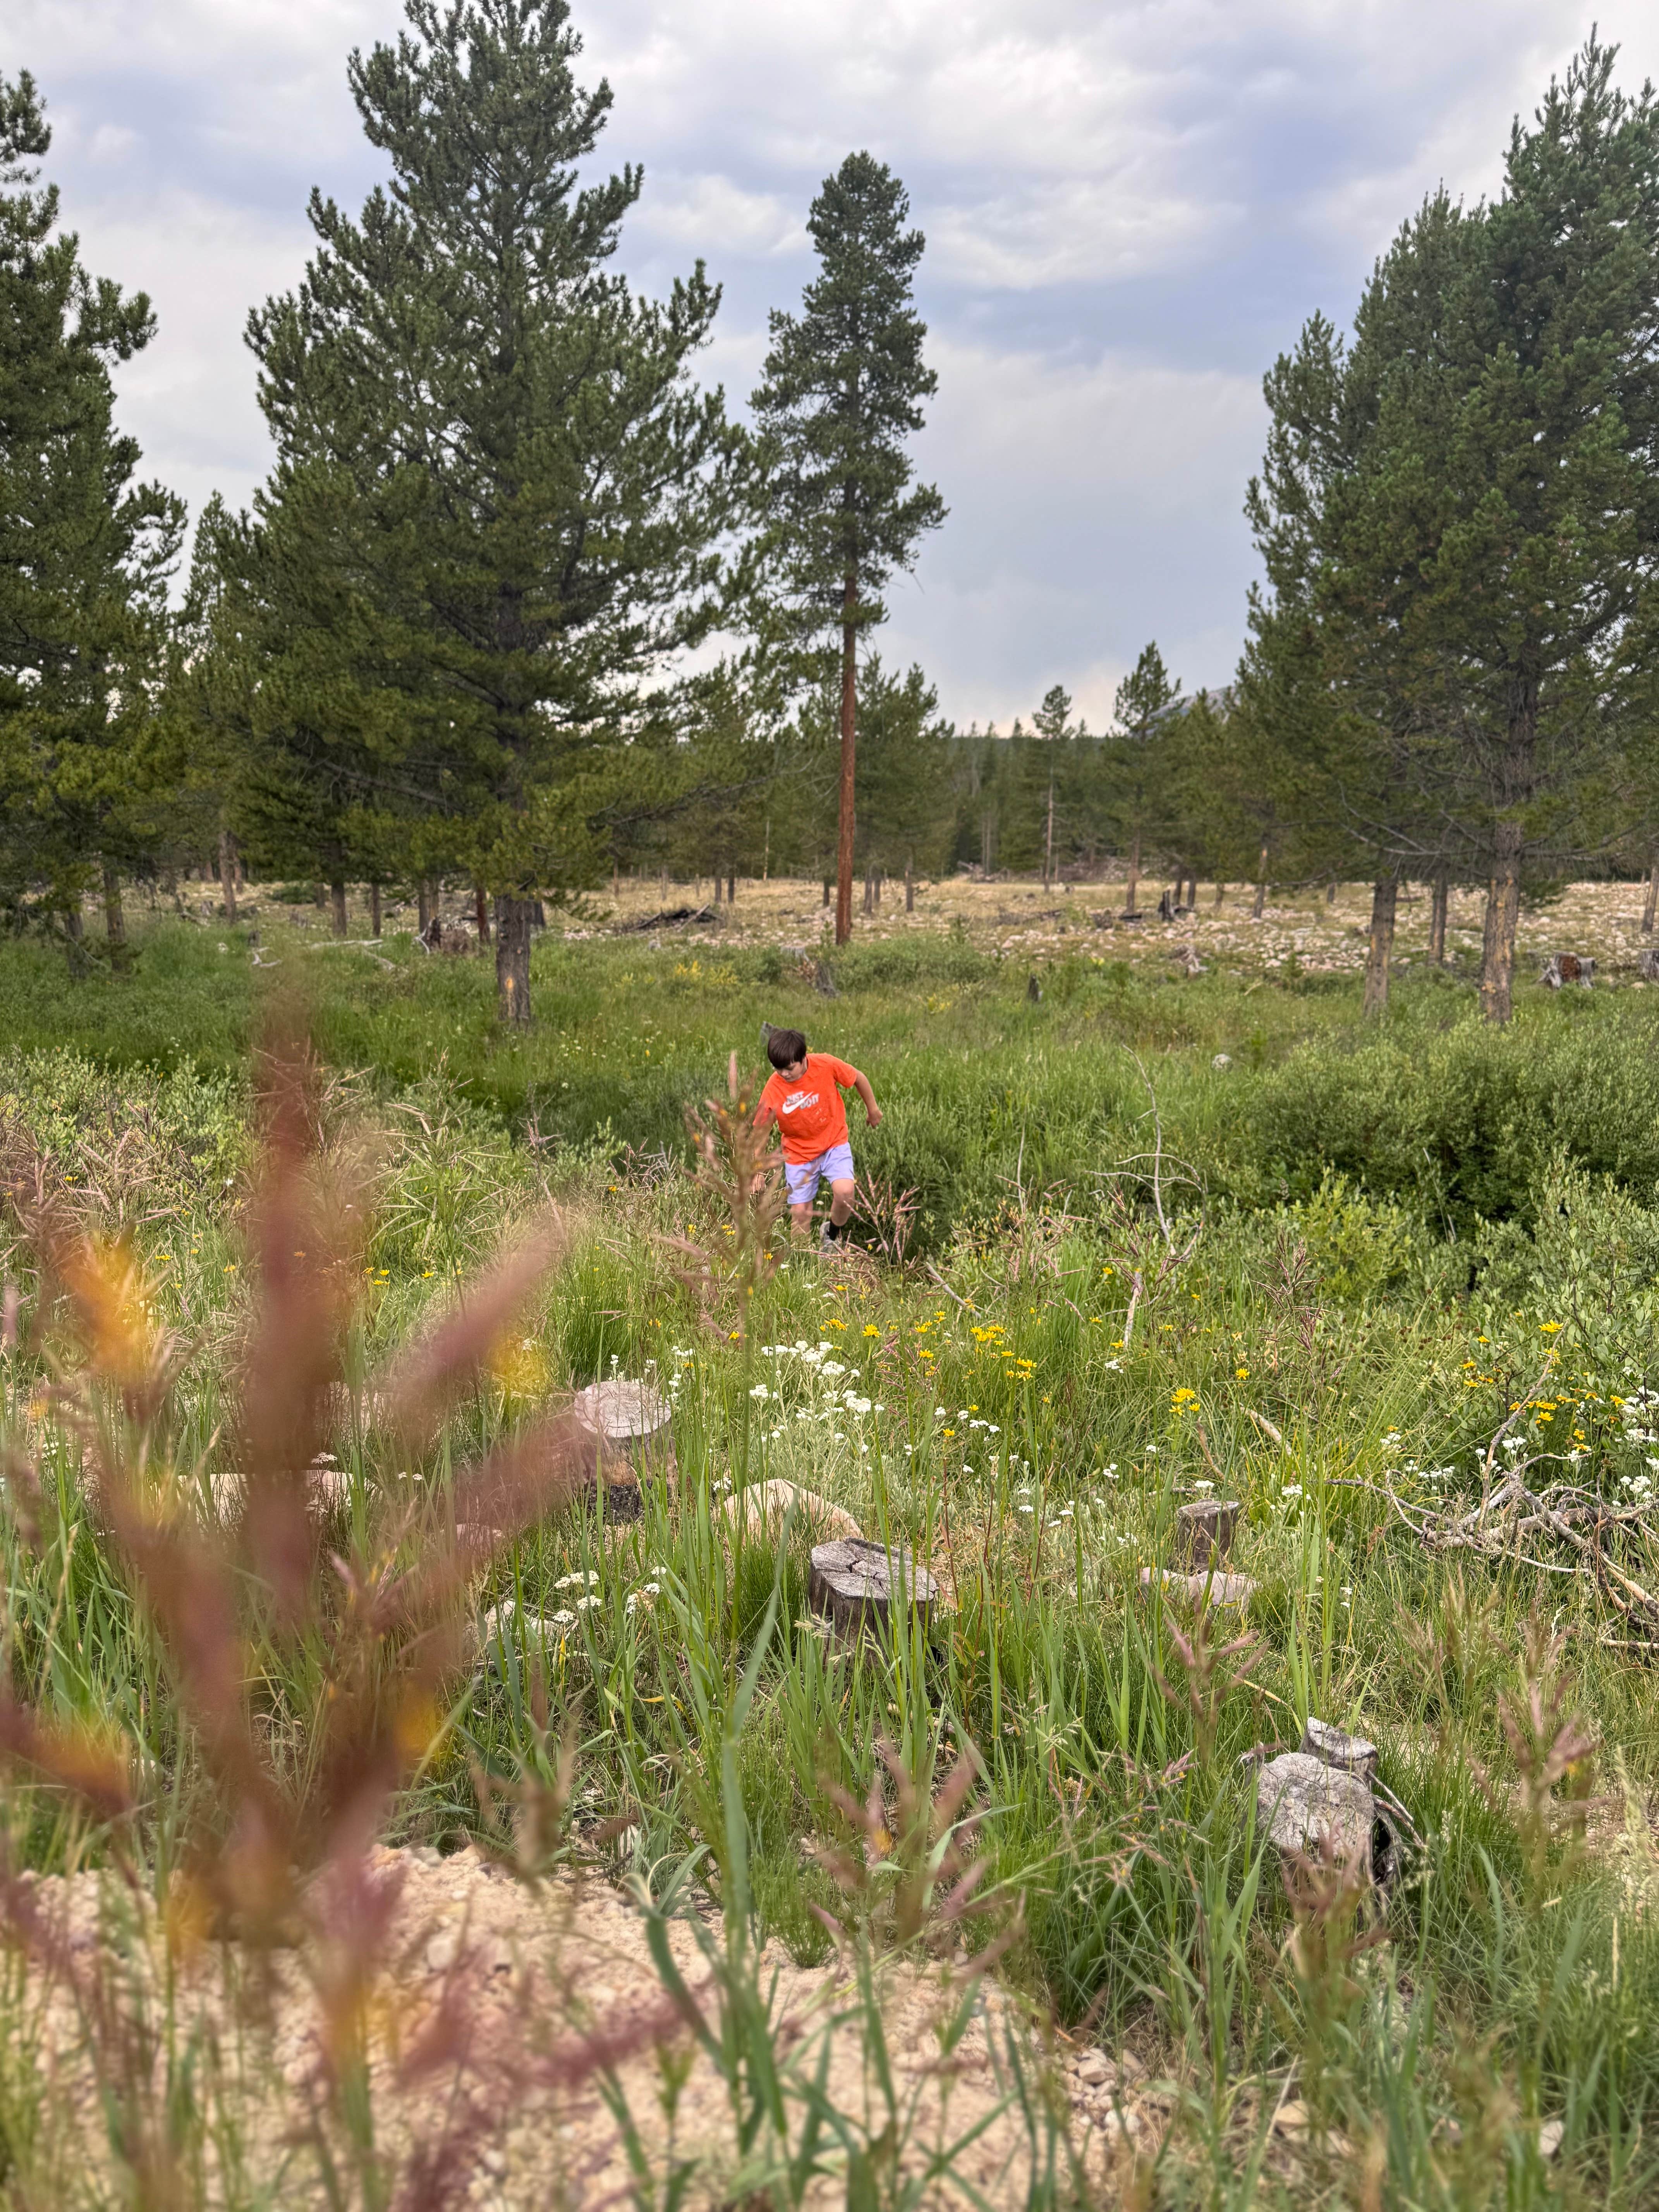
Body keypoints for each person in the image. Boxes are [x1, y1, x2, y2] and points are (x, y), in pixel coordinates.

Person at [753, 1027, 882, 1245]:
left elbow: (858, 1078)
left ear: (804, 1058)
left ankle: (831, 1236)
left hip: (834, 1143)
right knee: (801, 1213)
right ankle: (803, 1258)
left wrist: (873, 1110)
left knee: (845, 1192)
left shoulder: (826, 1065)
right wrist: (758, 1170)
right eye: (777, 1068)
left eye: (789, 1068)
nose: (784, 1074)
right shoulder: (774, 1087)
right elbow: (761, 1132)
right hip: (798, 1154)